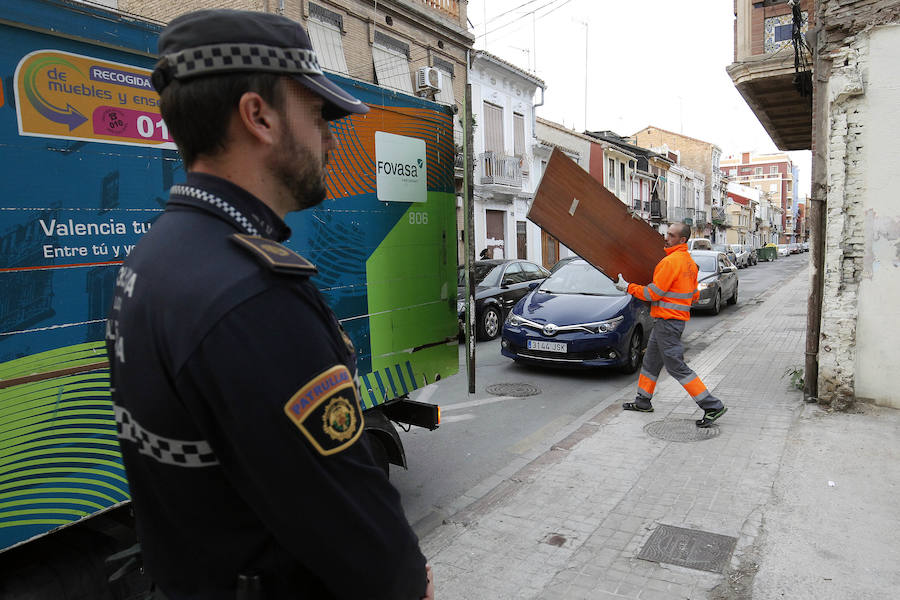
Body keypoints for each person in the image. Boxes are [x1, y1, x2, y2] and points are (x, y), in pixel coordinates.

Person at [106, 10, 433, 599]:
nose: (333, 136)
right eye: (318, 114)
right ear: (258, 116)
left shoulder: (155, 257)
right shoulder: (253, 295)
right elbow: (363, 543)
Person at [614, 222, 727, 428]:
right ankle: (643, 401)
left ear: (682, 240)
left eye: (671, 235)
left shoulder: (670, 262)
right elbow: (693, 296)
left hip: (668, 322)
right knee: (650, 362)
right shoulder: (690, 263)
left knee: (676, 367)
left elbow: (653, 293)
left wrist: (628, 287)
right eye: (667, 234)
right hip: (670, 321)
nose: (666, 238)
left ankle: (712, 406)